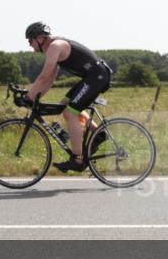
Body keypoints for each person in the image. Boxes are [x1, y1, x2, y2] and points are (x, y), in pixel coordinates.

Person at [24, 22, 111, 172]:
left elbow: (43, 77)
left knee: (70, 112)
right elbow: (49, 80)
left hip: (96, 76)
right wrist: (35, 97)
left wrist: (28, 97)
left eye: (30, 40)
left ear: (39, 38)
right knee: (64, 104)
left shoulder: (55, 47)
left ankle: (77, 160)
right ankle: (99, 133)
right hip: (92, 76)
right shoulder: (54, 48)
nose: (29, 45)